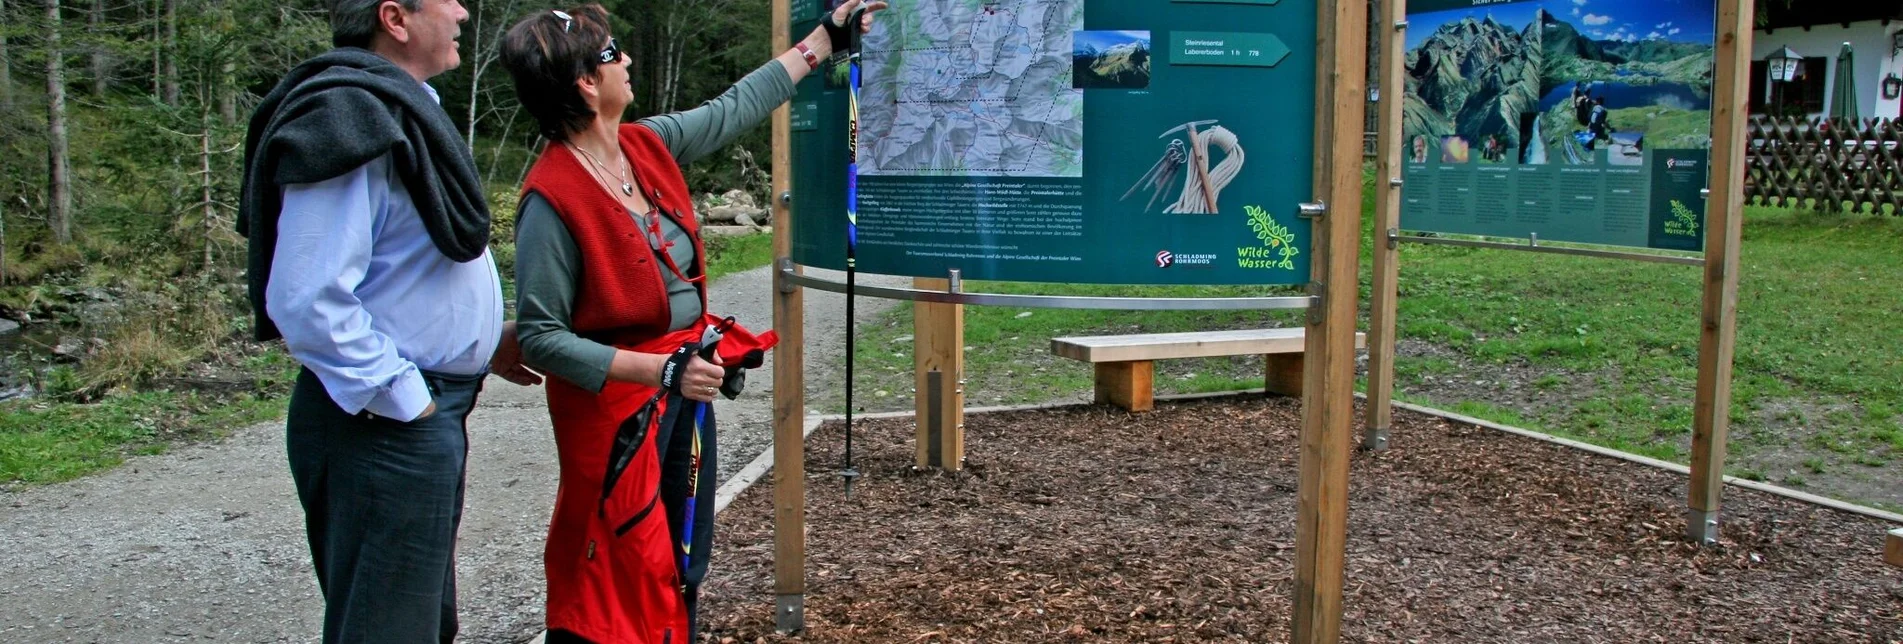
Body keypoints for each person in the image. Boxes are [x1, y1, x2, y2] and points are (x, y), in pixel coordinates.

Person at [499, 2, 887, 642]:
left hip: (678, 390)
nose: (626, 59)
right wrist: (659, 369)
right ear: (585, 84)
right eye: (610, 52)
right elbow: (541, 336)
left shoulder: (643, 145)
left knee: (682, 552)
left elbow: (738, 104)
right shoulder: (551, 198)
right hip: (616, 415)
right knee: (621, 559)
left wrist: (825, 39)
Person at [237, 0, 541, 642]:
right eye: (446, 0)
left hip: (411, 415)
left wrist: (483, 343)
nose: (462, 10)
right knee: (387, 629)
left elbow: (398, 271)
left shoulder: (400, 106)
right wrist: (404, 397)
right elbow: (303, 295)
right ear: (395, 18)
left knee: (423, 623)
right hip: (379, 425)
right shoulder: (349, 115)